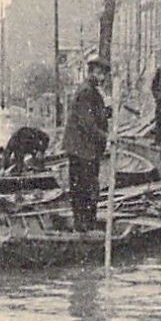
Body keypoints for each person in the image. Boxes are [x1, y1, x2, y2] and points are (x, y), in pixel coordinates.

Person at [61, 57, 112, 230]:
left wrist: (108, 110)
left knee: (86, 186)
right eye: (98, 73)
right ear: (91, 73)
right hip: (81, 148)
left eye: (104, 74)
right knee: (84, 187)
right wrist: (107, 137)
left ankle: (86, 223)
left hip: (86, 148)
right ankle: (83, 225)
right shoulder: (86, 91)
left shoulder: (93, 91)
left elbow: (96, 115)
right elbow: (87, 123)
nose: (102, 77)